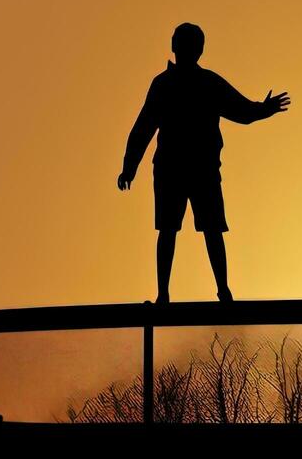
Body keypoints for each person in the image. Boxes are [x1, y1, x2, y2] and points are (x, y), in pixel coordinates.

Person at [118, 22, 290, 303]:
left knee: (202, 229)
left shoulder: (197, 83)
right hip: (181, 169)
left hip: (196, 169)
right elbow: (144, 127)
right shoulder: (177, 84)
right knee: (176, 229)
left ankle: (218, 290)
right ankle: (173, 294)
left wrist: (263, 109)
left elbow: (241, 110)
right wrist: (129, 166)